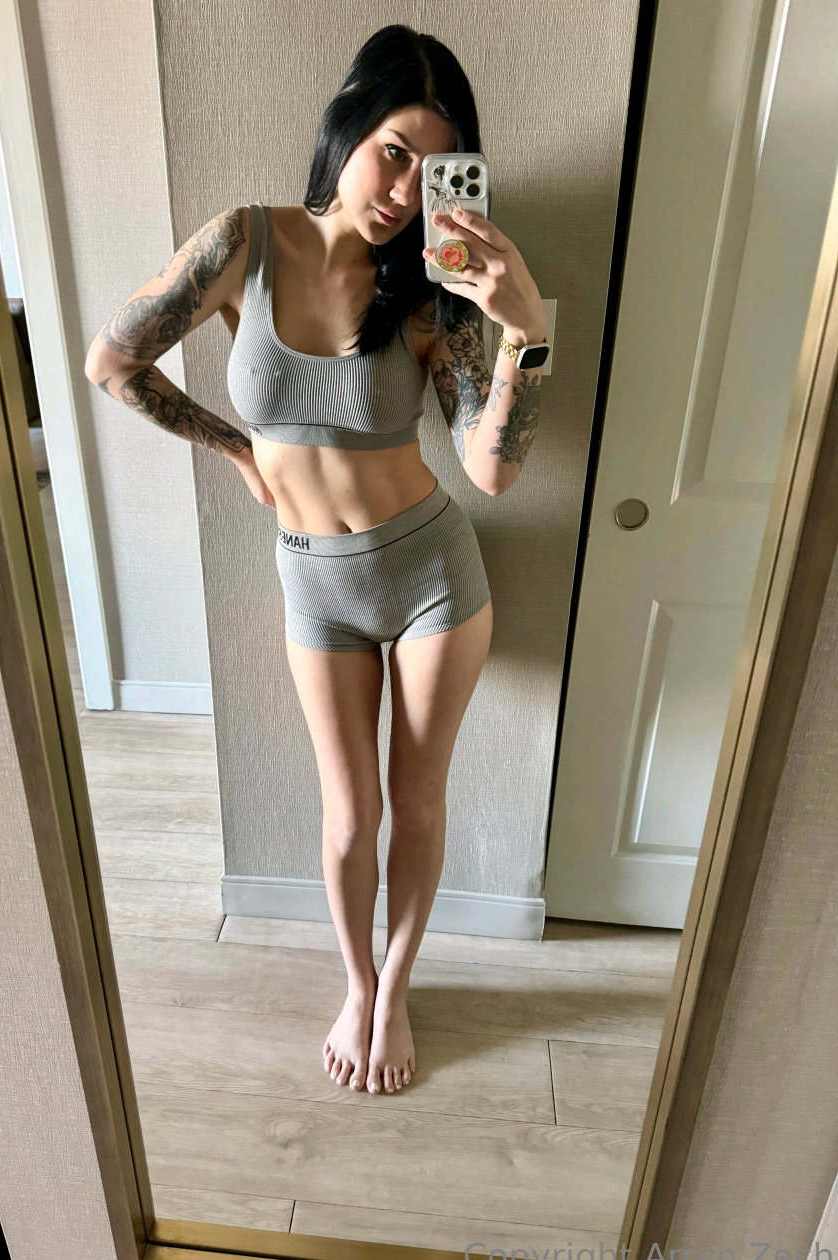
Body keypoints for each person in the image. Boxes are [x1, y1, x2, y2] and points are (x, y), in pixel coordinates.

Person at [84, 24, 547, 1097]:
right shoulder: (244, 242)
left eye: (435, 170)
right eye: (394, 151)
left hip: (432, 576)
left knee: (416, 803)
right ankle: (355, 982)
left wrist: (523, 331)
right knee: (348, 816)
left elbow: (490, 470)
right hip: (315, 581)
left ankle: (397, 988)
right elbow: (114, 361)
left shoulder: (434, 285)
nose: (405, 190)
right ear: (348, 127)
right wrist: (237, 449)